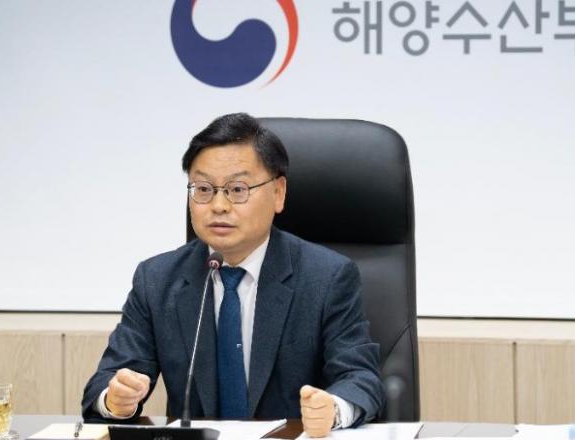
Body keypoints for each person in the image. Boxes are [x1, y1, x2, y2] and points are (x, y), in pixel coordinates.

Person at [81, 113, 384, 437]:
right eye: (203, 189)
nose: (219, 205)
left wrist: (333, 409)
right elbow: (104, 385)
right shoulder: (157, 280)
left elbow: (360, 378)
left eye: (237, 189)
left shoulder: (327, 277)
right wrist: (116, 400)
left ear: (278, 193)